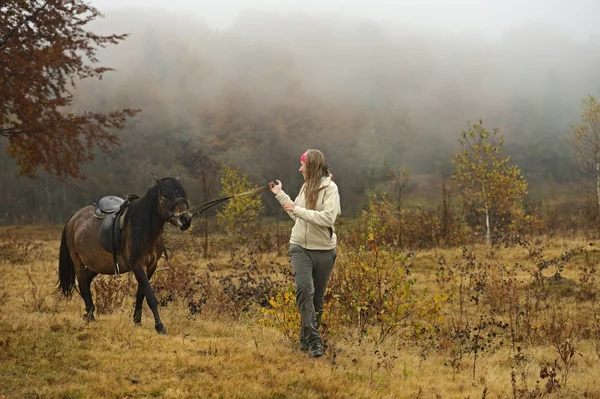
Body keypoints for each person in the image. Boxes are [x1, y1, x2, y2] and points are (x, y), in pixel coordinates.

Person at [269, 149, 341, 358]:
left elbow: (328, 218)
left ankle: (305, 342)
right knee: (304, 290)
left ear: (311, 166)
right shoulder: (304, 187)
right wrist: (281, 195)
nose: (300, 169)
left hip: (324, 250)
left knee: (317, 299)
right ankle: (315, 341)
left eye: (302, 165)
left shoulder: (331, 189)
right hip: (299, 246)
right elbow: (298, 217)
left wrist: (297, 210)